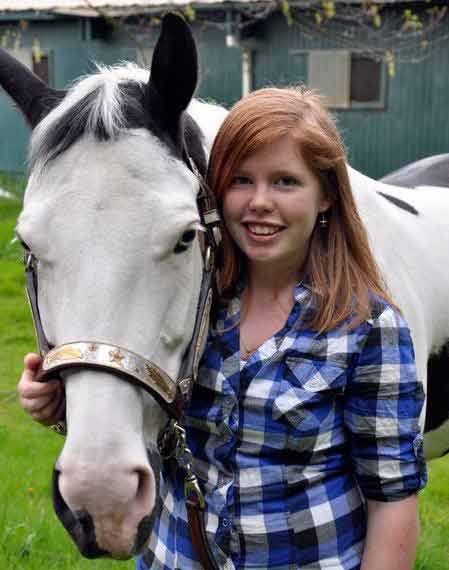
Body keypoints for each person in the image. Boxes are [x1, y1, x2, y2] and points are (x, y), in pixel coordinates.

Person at [18, 87, 426, 570]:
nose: (259, 202)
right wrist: (64, 397)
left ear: (327, 196)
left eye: (286, 182)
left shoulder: (367, 329)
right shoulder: (192, 305)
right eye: (240, 180)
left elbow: (392, 498)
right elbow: (135, 383)